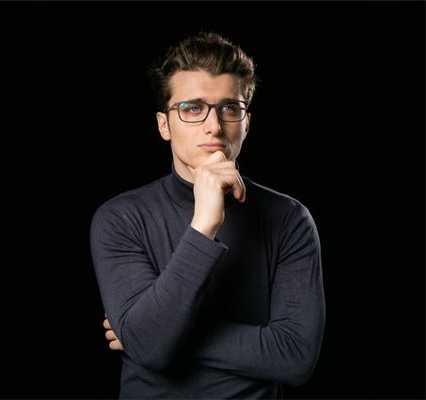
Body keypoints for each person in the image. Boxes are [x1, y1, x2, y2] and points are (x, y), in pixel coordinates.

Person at [89, 31, 325, 399]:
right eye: (192, 108)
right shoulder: (120, 218)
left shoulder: (288, 219)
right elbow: (148, 343)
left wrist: (149, 337)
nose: (214, 126)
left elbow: (295, 356)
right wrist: (203, 225)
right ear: (164, 125)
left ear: (246, 123)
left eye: (230, 107)